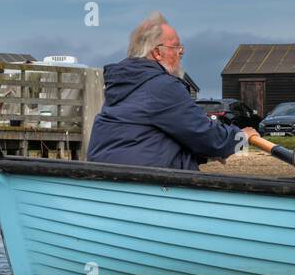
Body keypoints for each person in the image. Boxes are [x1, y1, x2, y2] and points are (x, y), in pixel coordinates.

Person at [87, 12, 244, 169]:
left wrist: (205, 153)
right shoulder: (161, 86)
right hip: (143, 183)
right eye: (176, 46)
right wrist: (241, 137)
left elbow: (152, 140)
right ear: (157, 53)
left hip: (107, 177)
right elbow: (209, 138)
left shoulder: (126, 83)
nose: (181, 52)